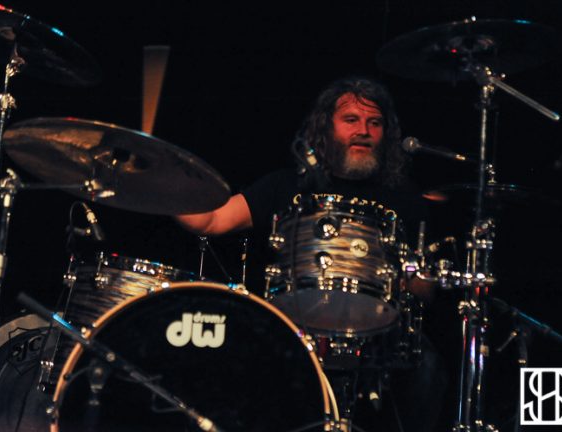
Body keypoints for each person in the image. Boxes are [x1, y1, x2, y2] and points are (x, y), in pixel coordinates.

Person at [176, 76, 447, 432]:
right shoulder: (286, 185)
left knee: (427, 365)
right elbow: (211, 220)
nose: (363, 131)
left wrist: (403, 279)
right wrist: (159, 183)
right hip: (294, 327)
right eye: (351, 120)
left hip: (378, 336)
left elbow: (426, 290)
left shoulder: (405, 199)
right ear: (326, 127)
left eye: (374, 123)